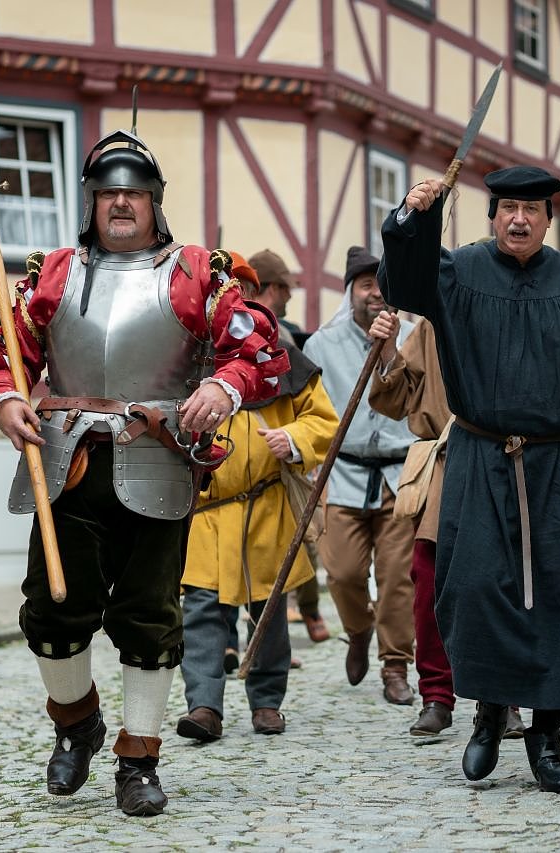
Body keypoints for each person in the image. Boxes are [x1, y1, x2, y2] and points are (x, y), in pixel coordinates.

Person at [0, 130, 288, 816]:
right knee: (51, 610)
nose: (120, 203)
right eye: (108, 192)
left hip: (158, 459)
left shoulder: (196, 273)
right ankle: (76, 722)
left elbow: (258, 352)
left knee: (148, 615)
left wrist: (223, 387)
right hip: (67, 462)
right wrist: (6, 400)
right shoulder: (54, 274)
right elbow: (1, 356)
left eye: (133, 193)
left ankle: (139, 760)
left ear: (154, 203)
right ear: (91, 202)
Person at [379, 166, 560, 793]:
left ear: (548, 219)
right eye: (507, 207)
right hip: (479, 457)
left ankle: (547, 734)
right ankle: (487, 714)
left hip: (558, 465)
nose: (519, 219)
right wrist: (414, 219)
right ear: (493, 215)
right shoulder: (458, 272)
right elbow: (403, 283)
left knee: (558, 595)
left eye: (531, 209)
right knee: (476, 587)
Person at [176, 253, 338, 743]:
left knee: (268, 612)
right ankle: (204, 706)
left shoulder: (280, 356)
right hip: (206, 512)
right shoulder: (184, 353)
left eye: (239, 289)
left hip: (267, 508)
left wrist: (293, 438)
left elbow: (323, 421)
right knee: (202, 611)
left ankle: (267, 702)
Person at [368, 309, 526, 741]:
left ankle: (504, 699)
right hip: (445, 463)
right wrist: (387, 348)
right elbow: (396, 400)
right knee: (430, 581)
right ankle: (437, 696)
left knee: (501, 586)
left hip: (505, 463)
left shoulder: (520, 316)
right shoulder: (434, 325)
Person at [303, 246, 418, 705]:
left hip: (400, 474)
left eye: (384, 285)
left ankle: (396, 665)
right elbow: (310, 411)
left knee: (397, 577)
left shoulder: (414, 338)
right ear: (351, 290)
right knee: (343, 572)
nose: (376, 293)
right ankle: (358, 630)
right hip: (344, 473)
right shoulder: (321, 345)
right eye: (367, 284)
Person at [247, 248, 327, 643]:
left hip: (285, 463)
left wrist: (298, 441)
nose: (289, 297)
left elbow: (312, 412)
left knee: (297, 548)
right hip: (244, 475)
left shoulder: (286, 337)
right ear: (272, 288)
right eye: (285, 289)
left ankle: (304, 614)